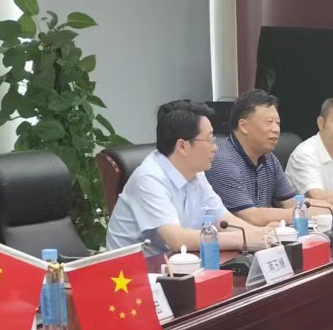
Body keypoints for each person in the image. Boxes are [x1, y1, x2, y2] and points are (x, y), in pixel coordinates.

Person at [105, 100, 282, 256]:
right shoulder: (149, 178)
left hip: (176, 266)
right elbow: (176, 238)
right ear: (182, 146)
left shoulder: (196, 172)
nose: (215, 148)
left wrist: (260, 233)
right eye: (210, 140)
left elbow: (223, 220)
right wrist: (243, 238)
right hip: (132, 275)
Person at [207, 90, 294, 227]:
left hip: (264, 236)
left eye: (277, 123)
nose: (276, 129)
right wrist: (301, 213)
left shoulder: (268, 158)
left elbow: (291, 203)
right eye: (269, 122)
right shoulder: (223, 162)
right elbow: (252, 217)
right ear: (243, 126)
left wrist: (327, 207)